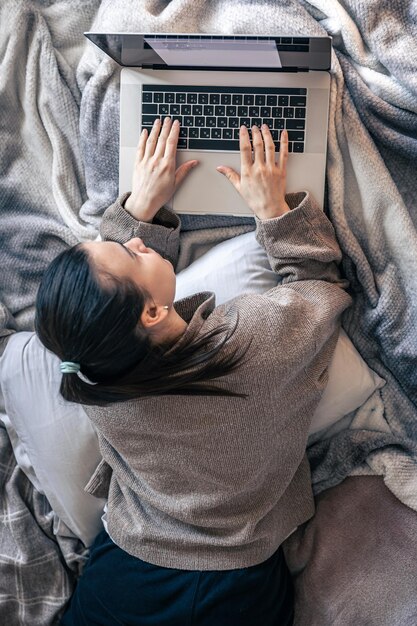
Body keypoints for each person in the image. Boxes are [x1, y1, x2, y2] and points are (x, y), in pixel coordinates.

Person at [34, 117, 351, 625]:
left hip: (129, 570)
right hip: (233, 581)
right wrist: (272, 208)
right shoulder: (251, 344)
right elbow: (319, 288)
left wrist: (140, 208)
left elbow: (114, 312)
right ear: (153, 314)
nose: (135, 243)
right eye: (129, 251)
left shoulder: (94, 374)